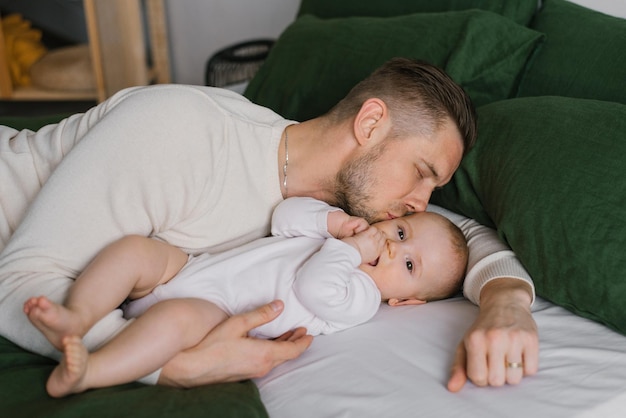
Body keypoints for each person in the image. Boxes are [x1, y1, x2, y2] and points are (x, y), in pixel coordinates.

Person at [0, 57, 537, 391]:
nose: (421, 205)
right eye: (422, 174)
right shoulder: (181, 132)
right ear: (371, 123)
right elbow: (17, 282)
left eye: (432, 192)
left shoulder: (352, 214)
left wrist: (507, 302)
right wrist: (175, 365)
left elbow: (459, 236)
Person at [23, 196, 468, 397]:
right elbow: (285, 216)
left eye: (409, 266)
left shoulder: (361, 297)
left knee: (174, 320)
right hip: (190, 267)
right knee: (135, 250)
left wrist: (349, 250)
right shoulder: (342, 237)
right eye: (401, 233)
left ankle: (90, 372)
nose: (392, 249)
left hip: (213, 311)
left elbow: (315, 285)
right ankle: (76, 317)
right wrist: (332, 222)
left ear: (407, 301)